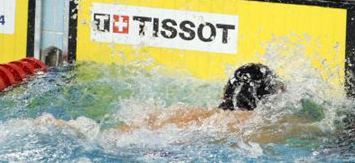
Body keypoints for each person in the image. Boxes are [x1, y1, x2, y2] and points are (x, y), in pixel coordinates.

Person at [38, 63, 286, 134]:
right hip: (160, 146)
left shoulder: (192, 110)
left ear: (224, 93)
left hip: (145, 131)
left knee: (101, 135)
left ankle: (60, 125)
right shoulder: (249, 122)